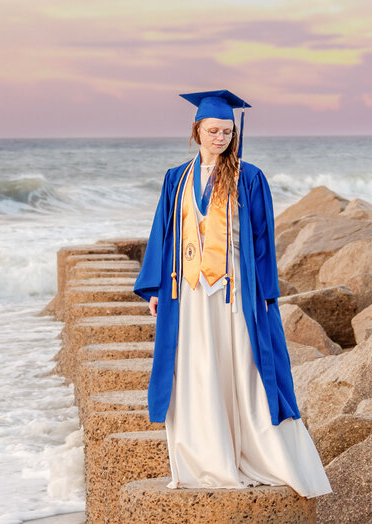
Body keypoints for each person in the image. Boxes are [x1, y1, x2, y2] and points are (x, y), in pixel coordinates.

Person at [133, 89, 333, 498]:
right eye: (213, 130)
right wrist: (154, 286)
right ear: (197, 131)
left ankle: (251, 452)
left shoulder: (249, 176)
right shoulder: (176, 178)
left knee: (238, 365)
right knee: (194, 369)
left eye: (226, 131)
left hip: (233, 290)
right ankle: (204, 457)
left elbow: (262, 238)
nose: (220, 138)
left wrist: (265, 291)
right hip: (186, 291)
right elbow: (163, 231)